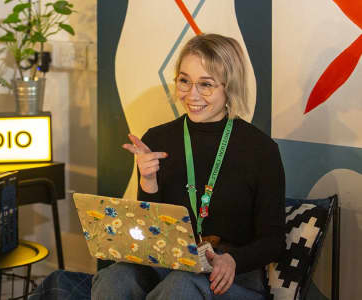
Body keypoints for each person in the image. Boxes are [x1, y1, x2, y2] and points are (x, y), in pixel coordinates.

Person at [91, 33, 286, 299]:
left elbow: (273, 241)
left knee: (182, 285)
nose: (191, 94)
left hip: (231, 275)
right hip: (170, 265)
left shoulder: (261, 149)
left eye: (206, 84)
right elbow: (151, 232)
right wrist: (148, 181)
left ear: (229, 86)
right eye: (184, 81)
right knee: (114, 277)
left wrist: (233, 260)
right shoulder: (156, 140)